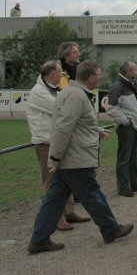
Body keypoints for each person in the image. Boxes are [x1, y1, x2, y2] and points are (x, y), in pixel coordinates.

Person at [27, 60, 134, 254]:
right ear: (91, 76)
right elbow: (63, 128)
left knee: (54, 199)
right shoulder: (76, 95)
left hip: (69, 158)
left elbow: (75, 124)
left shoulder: (71, 93)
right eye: (99, 73)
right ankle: (110, 229)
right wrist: (55, 158)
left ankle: (39, 239)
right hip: (75, 159)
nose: (101, 76)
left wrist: (97, 130)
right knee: (91, 193)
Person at [27, 60, 90, 231]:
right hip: (45, 142)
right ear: (51, 73)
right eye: (60, 71)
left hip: (56, 141)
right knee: (50, 181)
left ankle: (69, 212)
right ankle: (57, 218)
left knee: (64, 179)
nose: (63, 75)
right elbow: (60, 108)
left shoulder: (54, 89)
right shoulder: (39, 92)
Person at [107, 61, 137, 197]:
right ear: (129, 71)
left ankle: (135, 183)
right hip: (127, 128)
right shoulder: (118, 87)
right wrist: (126, 121)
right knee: (124, 158)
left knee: (133, 156)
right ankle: (123, 186)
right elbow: (111, 108)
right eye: (135, 70)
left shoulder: (130, 85)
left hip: (135, 126)